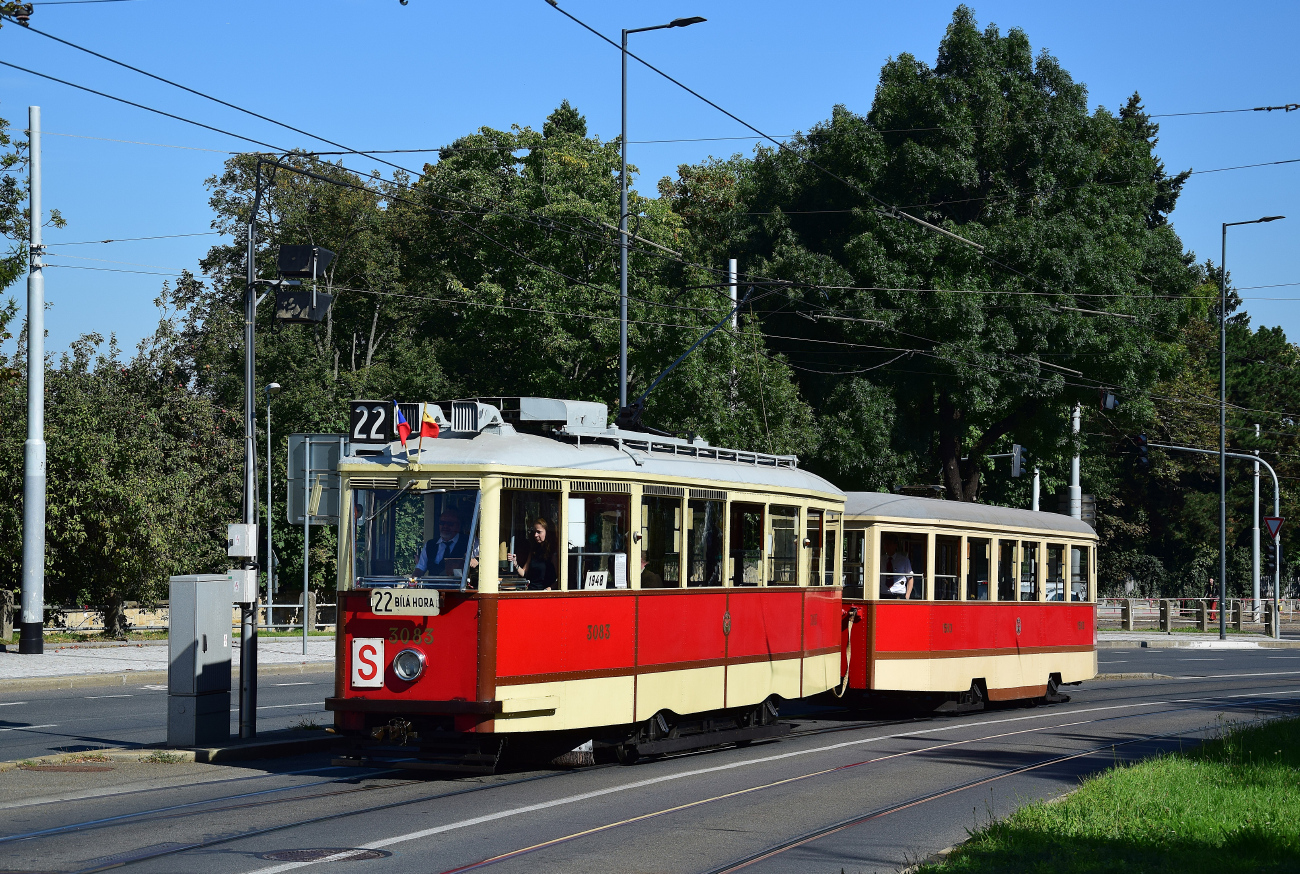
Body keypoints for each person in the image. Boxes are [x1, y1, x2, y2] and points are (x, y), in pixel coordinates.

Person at [506, 518, 557, 591]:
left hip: (544, 595)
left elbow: (559, 580)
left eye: (539, 532)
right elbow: (524, 573)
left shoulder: (553, 554)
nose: (535, 535)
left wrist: (548, 589)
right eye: (534, 532)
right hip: (531, 592)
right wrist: (515, 564)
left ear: (547, 532)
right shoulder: (534, 551)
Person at [414, 511, 468, 577]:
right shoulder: (430, 545)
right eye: (442, 523)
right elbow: (420, 568)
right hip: (432, 587)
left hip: (458, 587)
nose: (445, 526)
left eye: (450, 523)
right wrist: (412, 582)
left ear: (458, 526)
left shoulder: (469, 543)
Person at [882, 534, 914, 599]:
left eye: (889, 544)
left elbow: (910, 577)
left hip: (899, 593)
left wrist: (907, 595)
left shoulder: (904, 560)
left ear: (895, 545)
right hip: (883, 593)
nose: (887, 546)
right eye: (885, 544)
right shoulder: (880, 560)